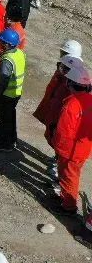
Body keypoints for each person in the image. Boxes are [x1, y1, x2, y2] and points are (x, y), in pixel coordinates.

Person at [50, 63, 92, 216]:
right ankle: (66, 200)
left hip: (70, 151)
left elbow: (63, 130)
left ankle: (68, 206)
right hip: (83, 149)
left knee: (68, 177)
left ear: (71, 83)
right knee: (72, 175)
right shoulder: (89, 100)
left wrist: (57, 145)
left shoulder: (71, 104)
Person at [0, 28, 26, 152]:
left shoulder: (7, 60)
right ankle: (12, 140)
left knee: (4, 119)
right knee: (11, 117)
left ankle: (4, 143)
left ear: (7, 44)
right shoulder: (20, 53)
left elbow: (3, 81)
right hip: (16, 93)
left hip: (6, 95)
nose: (0, 43)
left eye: (2, 42)